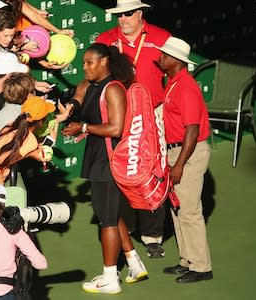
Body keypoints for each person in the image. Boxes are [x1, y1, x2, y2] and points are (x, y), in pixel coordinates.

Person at [60, 43, 148, 294]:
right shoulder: (92, 85)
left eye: (89, 62)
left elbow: (116, 128)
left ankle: (110, 278)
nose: (84, 67)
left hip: (109, 161)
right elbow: (78, 99)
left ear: (104, 63)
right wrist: (71, 110)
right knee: (108, 211)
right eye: (84, 62)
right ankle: (134, 262)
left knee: (107, 219)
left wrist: (84, 128)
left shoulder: (113, 90)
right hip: (98, 157)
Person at [95, 0, 172, 258]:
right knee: (122, 170)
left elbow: (173, 77)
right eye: (119, 14)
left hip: (152, 113)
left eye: (128, 14)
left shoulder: (161, 37)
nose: (123, 19)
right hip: (120, 114)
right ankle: (124, 227)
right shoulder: (106, 40)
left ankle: (152, 236)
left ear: (141, 13)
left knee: (152, 170)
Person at [156, 37, 213, 283]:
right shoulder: (173, 83)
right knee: (177, 208)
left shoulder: (186, 86)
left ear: (176, 61)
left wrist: (179, 163)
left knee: (189, 211)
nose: (160, 58)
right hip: (175, 151)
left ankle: (201, 267)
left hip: (188, 153)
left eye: (164, 55)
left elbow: (192, 129)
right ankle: (187, 260)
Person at [0, 95, 57, 186]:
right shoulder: (30, 141)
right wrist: (32, 154)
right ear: (41, 122)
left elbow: (7, 147)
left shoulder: (10, 126)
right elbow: (1, 159)